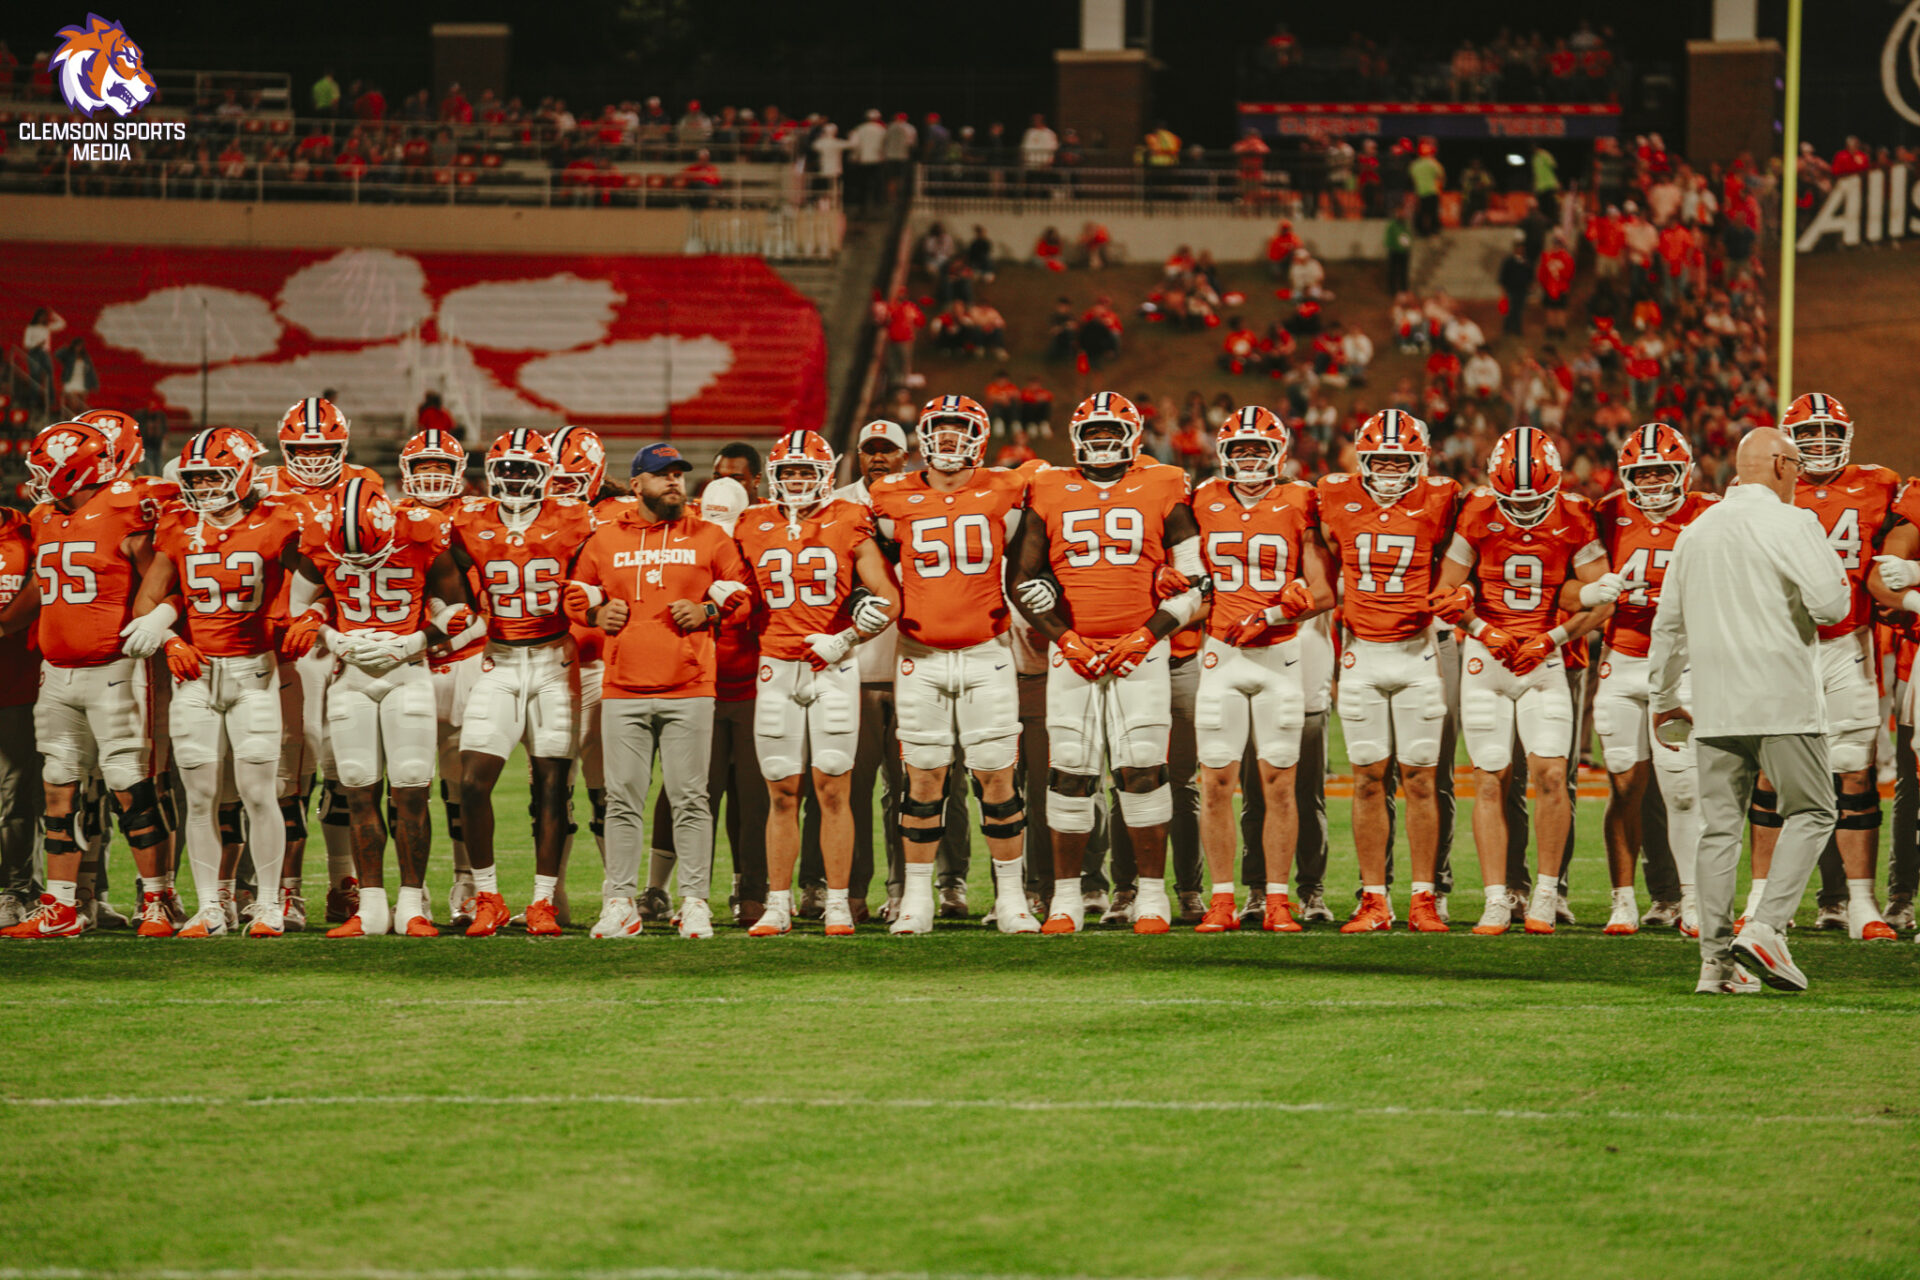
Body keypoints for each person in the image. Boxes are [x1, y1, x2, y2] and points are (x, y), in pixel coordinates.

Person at [1648, 427, 1851, 993]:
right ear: (1783, 465)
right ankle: (1766, 927)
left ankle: (1716, 965)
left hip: (1714, 704)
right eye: (1798, 464)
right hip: (1783, 698)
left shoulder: (1696, 530)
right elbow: (1833, 605)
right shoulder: (1793, 523)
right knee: (1814, 811)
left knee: (1718, 832)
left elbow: (1668, 627)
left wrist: (1663, 699)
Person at [1011, 393, 1207, 933]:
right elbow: (1021, 578)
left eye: (1110, 432)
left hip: (1140, 649)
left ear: (1132, 436)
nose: (1101, 441)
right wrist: (1065, 638)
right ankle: (1066, 898)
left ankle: (1151, 895)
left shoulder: (1165, 482)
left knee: (1143, 768)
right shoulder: (1048, 486)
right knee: (1069, 771)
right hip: (1073, 652)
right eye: (1092, 432)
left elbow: (1197, 581)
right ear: (1076, 437)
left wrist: (1147, 636)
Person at [1430, 426, 1623, 935]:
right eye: (1513, 499)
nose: (1523, 509)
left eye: (1535, 499)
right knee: (1489, 778)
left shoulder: (1575, 514)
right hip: (1487, 657)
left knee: (1552, 776)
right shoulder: (1476, 509)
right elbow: (1445, 590)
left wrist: (1553, 638)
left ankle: (1546, 893)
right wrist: (1481, 630)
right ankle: (1497, 898)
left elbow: (1604, 598)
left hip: (1546, 657)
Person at [868, 397, 1040, 935]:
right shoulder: (889, 493)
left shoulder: (1008, 485)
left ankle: (1011, 898)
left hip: (987, 653)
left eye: (958, 428)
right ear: (922, 435)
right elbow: (866, 559)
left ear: (979, 435)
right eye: (938, 428)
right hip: (920, 655)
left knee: (997, 778)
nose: (947, 438)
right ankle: (917, 899)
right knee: (922, 779)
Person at [0, 422, 176, 938]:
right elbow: (42, 585)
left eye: (45, 469)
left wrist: (162, 620)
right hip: (56, 672)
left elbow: (168, 576)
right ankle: (60, 905)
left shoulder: (128, 507)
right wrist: (5, 622)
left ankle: (158, 899)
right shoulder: (45, 517)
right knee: (59, 787)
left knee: (128, 784)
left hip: (115, 668)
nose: (36, 479)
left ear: (74, 470)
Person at [566, 444, 748, 938]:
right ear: (636, 484)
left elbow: (743, 594)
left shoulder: (709, 535)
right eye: (662, 474)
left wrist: (708, 611)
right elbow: (574, 593)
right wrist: (595, 614)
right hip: (623, 686)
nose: (673, 481)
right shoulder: (605, 538)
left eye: (678, 474)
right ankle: (620, 903)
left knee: (690, 798)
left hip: (690, 685)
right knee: (622, 800)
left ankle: (694, 902)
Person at [125, 428, 301, 937]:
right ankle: (210, 907)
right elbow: (147, 601)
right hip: (196, 675)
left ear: (243, 474)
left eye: (215, 476)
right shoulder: (179, 525)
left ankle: (267, 904)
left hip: (253, 672)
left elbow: (312, 583)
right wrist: (170, 639)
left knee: (258, 793)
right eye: (197, 478)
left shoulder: (278, 522)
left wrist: (304, 615)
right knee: (199, 797)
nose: (204, 487)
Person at [733, 432, 897, 937]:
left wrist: (846, 637)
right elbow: (739, 592)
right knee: (782, 789)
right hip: (776, 666)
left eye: (807, 472)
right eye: (790, 472)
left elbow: (889, 597)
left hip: (834, 666)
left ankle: (839, 902)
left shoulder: (849, 518)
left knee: (833, 787)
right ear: (774, 477)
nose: (798, 481)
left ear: (825, 476)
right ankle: (778, 904)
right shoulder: (752, 522)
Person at [1751, 394, 1900, 941]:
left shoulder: (1880, 485)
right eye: (1807, 435)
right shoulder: (1760, 489)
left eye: (1828, 434)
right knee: (1772, 771)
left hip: (1848, 644)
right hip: (1783, 643)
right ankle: (1763, 899)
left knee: (1854, 769)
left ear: (1847, 436)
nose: (1818, 444)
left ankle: (1861, 902)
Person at [284, 478, 452, 938]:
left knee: (411, 787)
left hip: (407, 670)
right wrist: (333, 637)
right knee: (357, 788)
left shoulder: (422, 531)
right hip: (351, 674)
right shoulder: (319, 534)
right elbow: (298, 607)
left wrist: (412, 642)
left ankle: (412, 905)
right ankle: (372, 907)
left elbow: (459, 611)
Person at [1188, 408, 1333, 933]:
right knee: (1215, 783)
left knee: (1279, 784)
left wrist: (1276, 612)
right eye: (1240, 450)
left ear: (1279, 453)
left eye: (1258, 449)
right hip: (1220, 654)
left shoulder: (1300, 499)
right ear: (1224, 454)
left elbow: (1323, 593)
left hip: (1280, 655)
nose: (1249, 459)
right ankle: (1222, 900)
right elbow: (1188, 575)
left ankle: (1277, 900)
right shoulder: (1201, 498)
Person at [447, 430, 596, 937]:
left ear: (545, 475)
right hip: (499, 661)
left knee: (552, 786)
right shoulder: (468, 519)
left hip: (554, 662)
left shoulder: (575, 517)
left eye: (524, 470)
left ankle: (543, 901)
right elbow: (441, 565)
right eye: (506, 470)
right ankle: (487, 895)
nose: (513, 479)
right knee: (472, 783)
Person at [1319, 411, 1461, 932]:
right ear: (1363, 459)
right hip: (1362, 652)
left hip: (1417, 650)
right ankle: (1374, 899)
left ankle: (1424, 897)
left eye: (1401, 461)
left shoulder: (1443, 497)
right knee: (1366, 779)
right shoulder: (1334, 494)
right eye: (1380, 460)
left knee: (1421, 779)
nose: (1390, 470)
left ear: (1419, 461)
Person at [1592, 424, 1715, 937]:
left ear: (1684, 472)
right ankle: (1623, 899)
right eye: (1643, 474)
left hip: (1683, 667)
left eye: (1662, 471)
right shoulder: (1606, 514)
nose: (1653, 482)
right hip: (1622, 660)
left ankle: (1691, 898)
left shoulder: (1710, 513)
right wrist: (1591, 592)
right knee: (1625, 786)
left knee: (1683, 789)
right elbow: (1577, 575)